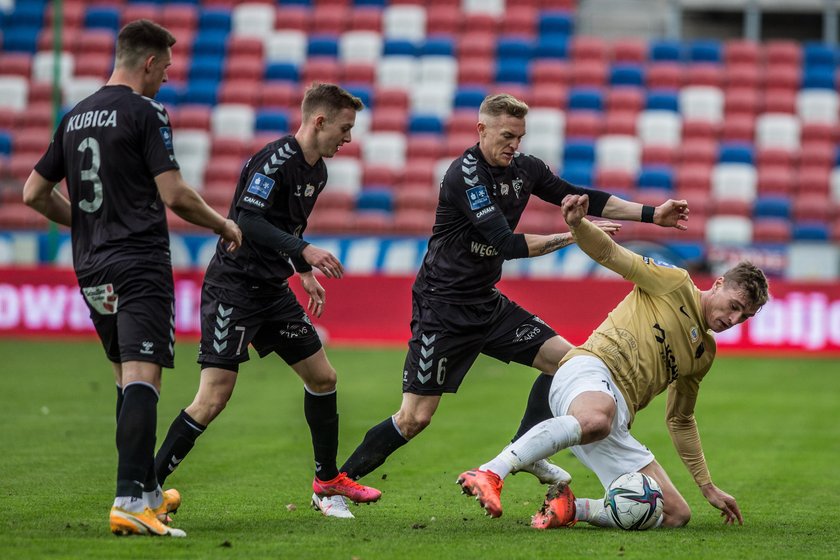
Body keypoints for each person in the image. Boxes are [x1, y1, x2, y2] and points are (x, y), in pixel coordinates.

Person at [336, 93, 691, 500]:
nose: (514, 145)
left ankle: (525, 452)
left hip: (486, 302)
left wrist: (652, 214)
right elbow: (504, 243)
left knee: (571, 364)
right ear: (481, 130)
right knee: (415, 417)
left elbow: (578, 194)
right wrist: (572, 234)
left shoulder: (525, 169)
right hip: (443, 307)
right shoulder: (464, 176)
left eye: (519, 137)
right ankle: (334, 485)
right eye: (507, 136)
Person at [22, 20, 242, 537]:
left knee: (125, 376)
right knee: (145, 378)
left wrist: (85, 221)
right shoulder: (146, 112)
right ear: (148, 62)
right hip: (138, 262)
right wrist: (223, 223)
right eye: (165, 66)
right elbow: (175, 194)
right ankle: (129, 502)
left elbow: (33, 191)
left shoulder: (75, 115)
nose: (167, 77)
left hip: (91, 264)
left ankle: (144, 489)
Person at [458, 193, 768, 529]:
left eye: (745, 316)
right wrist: (577, 225)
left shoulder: (704, 354)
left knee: (675, 515)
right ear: (719, 284)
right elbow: (611, 254)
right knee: (596, 418)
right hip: (589, 370)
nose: (734, 319)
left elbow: (680, 419)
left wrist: (706, 486)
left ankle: (572, 509)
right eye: (734, 306)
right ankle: (491, 472)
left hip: (615, 420)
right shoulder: (675, 283)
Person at [152, 82, 381, 521]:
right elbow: (246, 220)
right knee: (213, 397)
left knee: (323, 377)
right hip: (234, 290)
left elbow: (287, 230)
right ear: (319, 121)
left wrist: (304, 271)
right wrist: (307, 251)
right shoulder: (273, 162)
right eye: (345, 128)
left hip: (272, 292)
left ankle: (326, 483)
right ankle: (147, 490)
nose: (349, 138)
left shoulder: (317, 172)